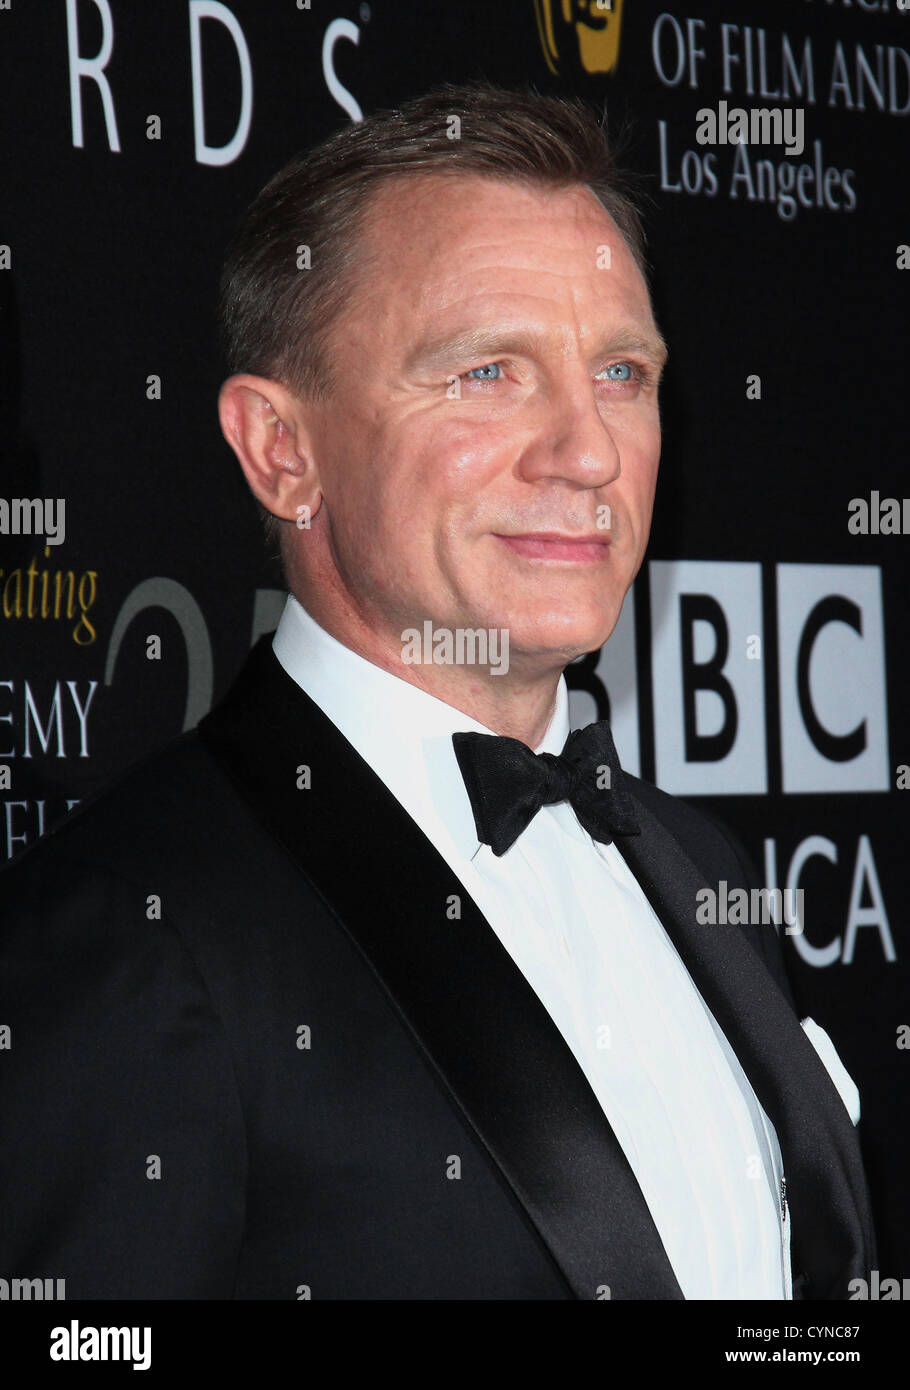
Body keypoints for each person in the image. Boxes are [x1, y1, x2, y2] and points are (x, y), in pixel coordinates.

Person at [0, 82, 875, 1300]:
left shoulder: (694, 857)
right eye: (486, 373)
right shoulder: (132, 936)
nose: (587, 451)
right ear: (280, 450)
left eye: (621, 370)